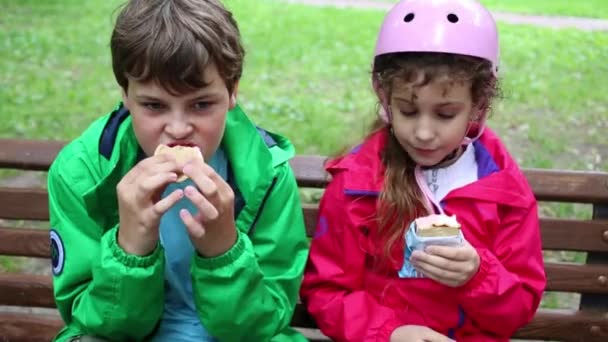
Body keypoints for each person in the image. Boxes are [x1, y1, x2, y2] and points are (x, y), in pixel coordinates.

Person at [48, 0, 308, 341]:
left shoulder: (267, 174)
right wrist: (130, 249)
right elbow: (92, 324)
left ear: (232, 92)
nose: (179, 128)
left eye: (201, 104)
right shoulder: (81, 174)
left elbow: (263, 325)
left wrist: (224, 250)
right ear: (125, 94)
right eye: (154, 105)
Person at [300, 0, 546, 341]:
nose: (424, 133)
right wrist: (390, 333)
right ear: (384, 97)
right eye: (408, 111)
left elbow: (517, 309)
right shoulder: (357, 184)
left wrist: (478, 274)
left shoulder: (504, 192)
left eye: (446, 114)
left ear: (479, 105)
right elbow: (327, 292)